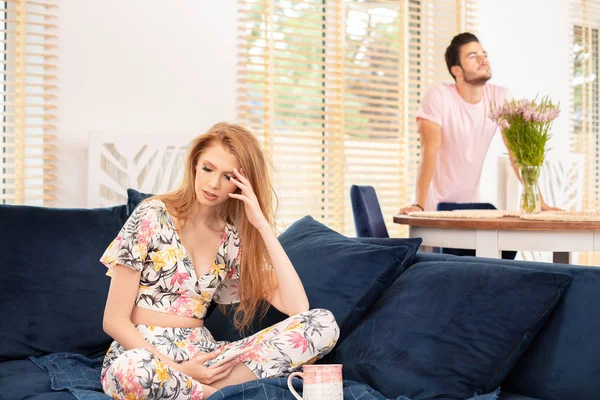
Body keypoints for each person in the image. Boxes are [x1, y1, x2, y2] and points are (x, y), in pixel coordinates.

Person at [99, 122, 340, 399]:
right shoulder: (152, 214)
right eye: (208, 168)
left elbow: (299, 307)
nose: (213, 184)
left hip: (206, 359)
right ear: (194, 166)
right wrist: (180, 369)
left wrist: (261, 225)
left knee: (322, 323)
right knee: (134, 370)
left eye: (228, 176)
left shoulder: (230, 238)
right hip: (144, 357)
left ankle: (204, 393)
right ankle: (217, 394)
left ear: (240, 184)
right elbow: (114, 321)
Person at [400, 32, 559, 215]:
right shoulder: (438, 97)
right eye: (472, 56)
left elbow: (516, 154)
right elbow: (429, 150)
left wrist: (539, 201)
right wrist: (419, 205)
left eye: (484, 54)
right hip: (433, 208)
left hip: (470, 208)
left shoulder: (500, 97)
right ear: (456, 70)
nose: (483, 59)